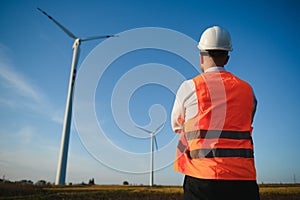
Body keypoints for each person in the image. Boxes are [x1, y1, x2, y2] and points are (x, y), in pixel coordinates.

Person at [171, 26, 260, 200]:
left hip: (202, 179)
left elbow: (176, 124)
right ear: (227, 57)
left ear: (201, 56)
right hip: (244, 180)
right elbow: (247, 118)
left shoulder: (190, 88)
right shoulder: (248, 90)